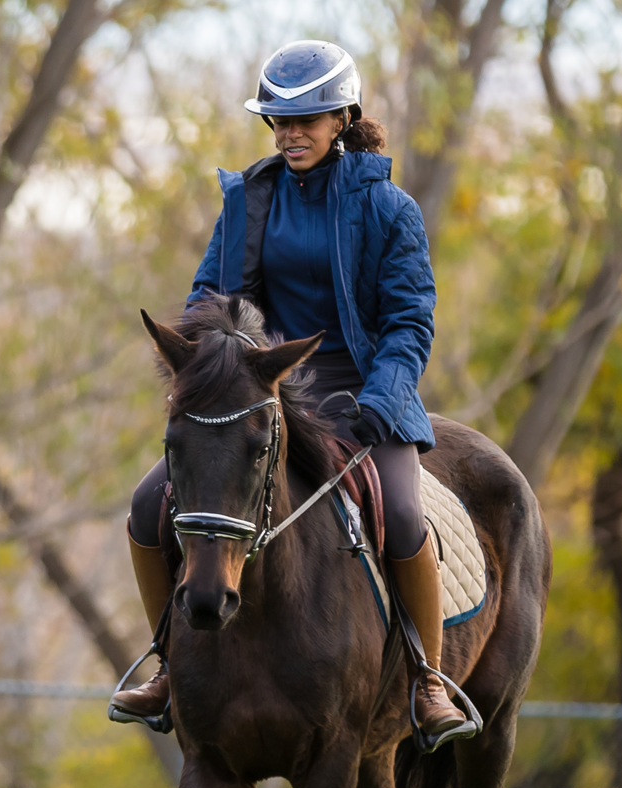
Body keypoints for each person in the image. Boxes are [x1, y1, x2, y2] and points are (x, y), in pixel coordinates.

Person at [112, 40, 466, 738]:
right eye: (278, 121)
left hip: (361, 396)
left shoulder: (389, 209)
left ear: (343, 119)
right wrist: (212, 361)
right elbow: (210, 300)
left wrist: (382, 400)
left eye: (307, 120)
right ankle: (165, 663)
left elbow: (408, 324)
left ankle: (428, 681)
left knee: (400, 513)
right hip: (264, 391)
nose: (290, 134)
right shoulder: (247, 200)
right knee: (149, 503)